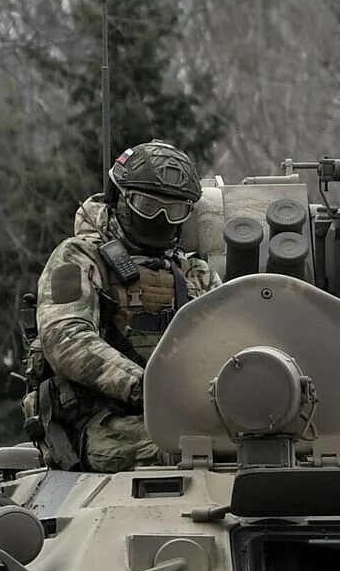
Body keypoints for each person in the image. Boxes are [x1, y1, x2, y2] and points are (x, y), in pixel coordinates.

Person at [28, 140, 217, 472]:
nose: (160, 219)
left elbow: (229, 342)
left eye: (174, 210)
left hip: (185, 416)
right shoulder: (79, 257)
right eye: (147, 204)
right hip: (98, 423)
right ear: (120, 199)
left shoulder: (195, 274)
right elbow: (66, 338)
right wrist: (144, 387)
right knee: (192, 449)